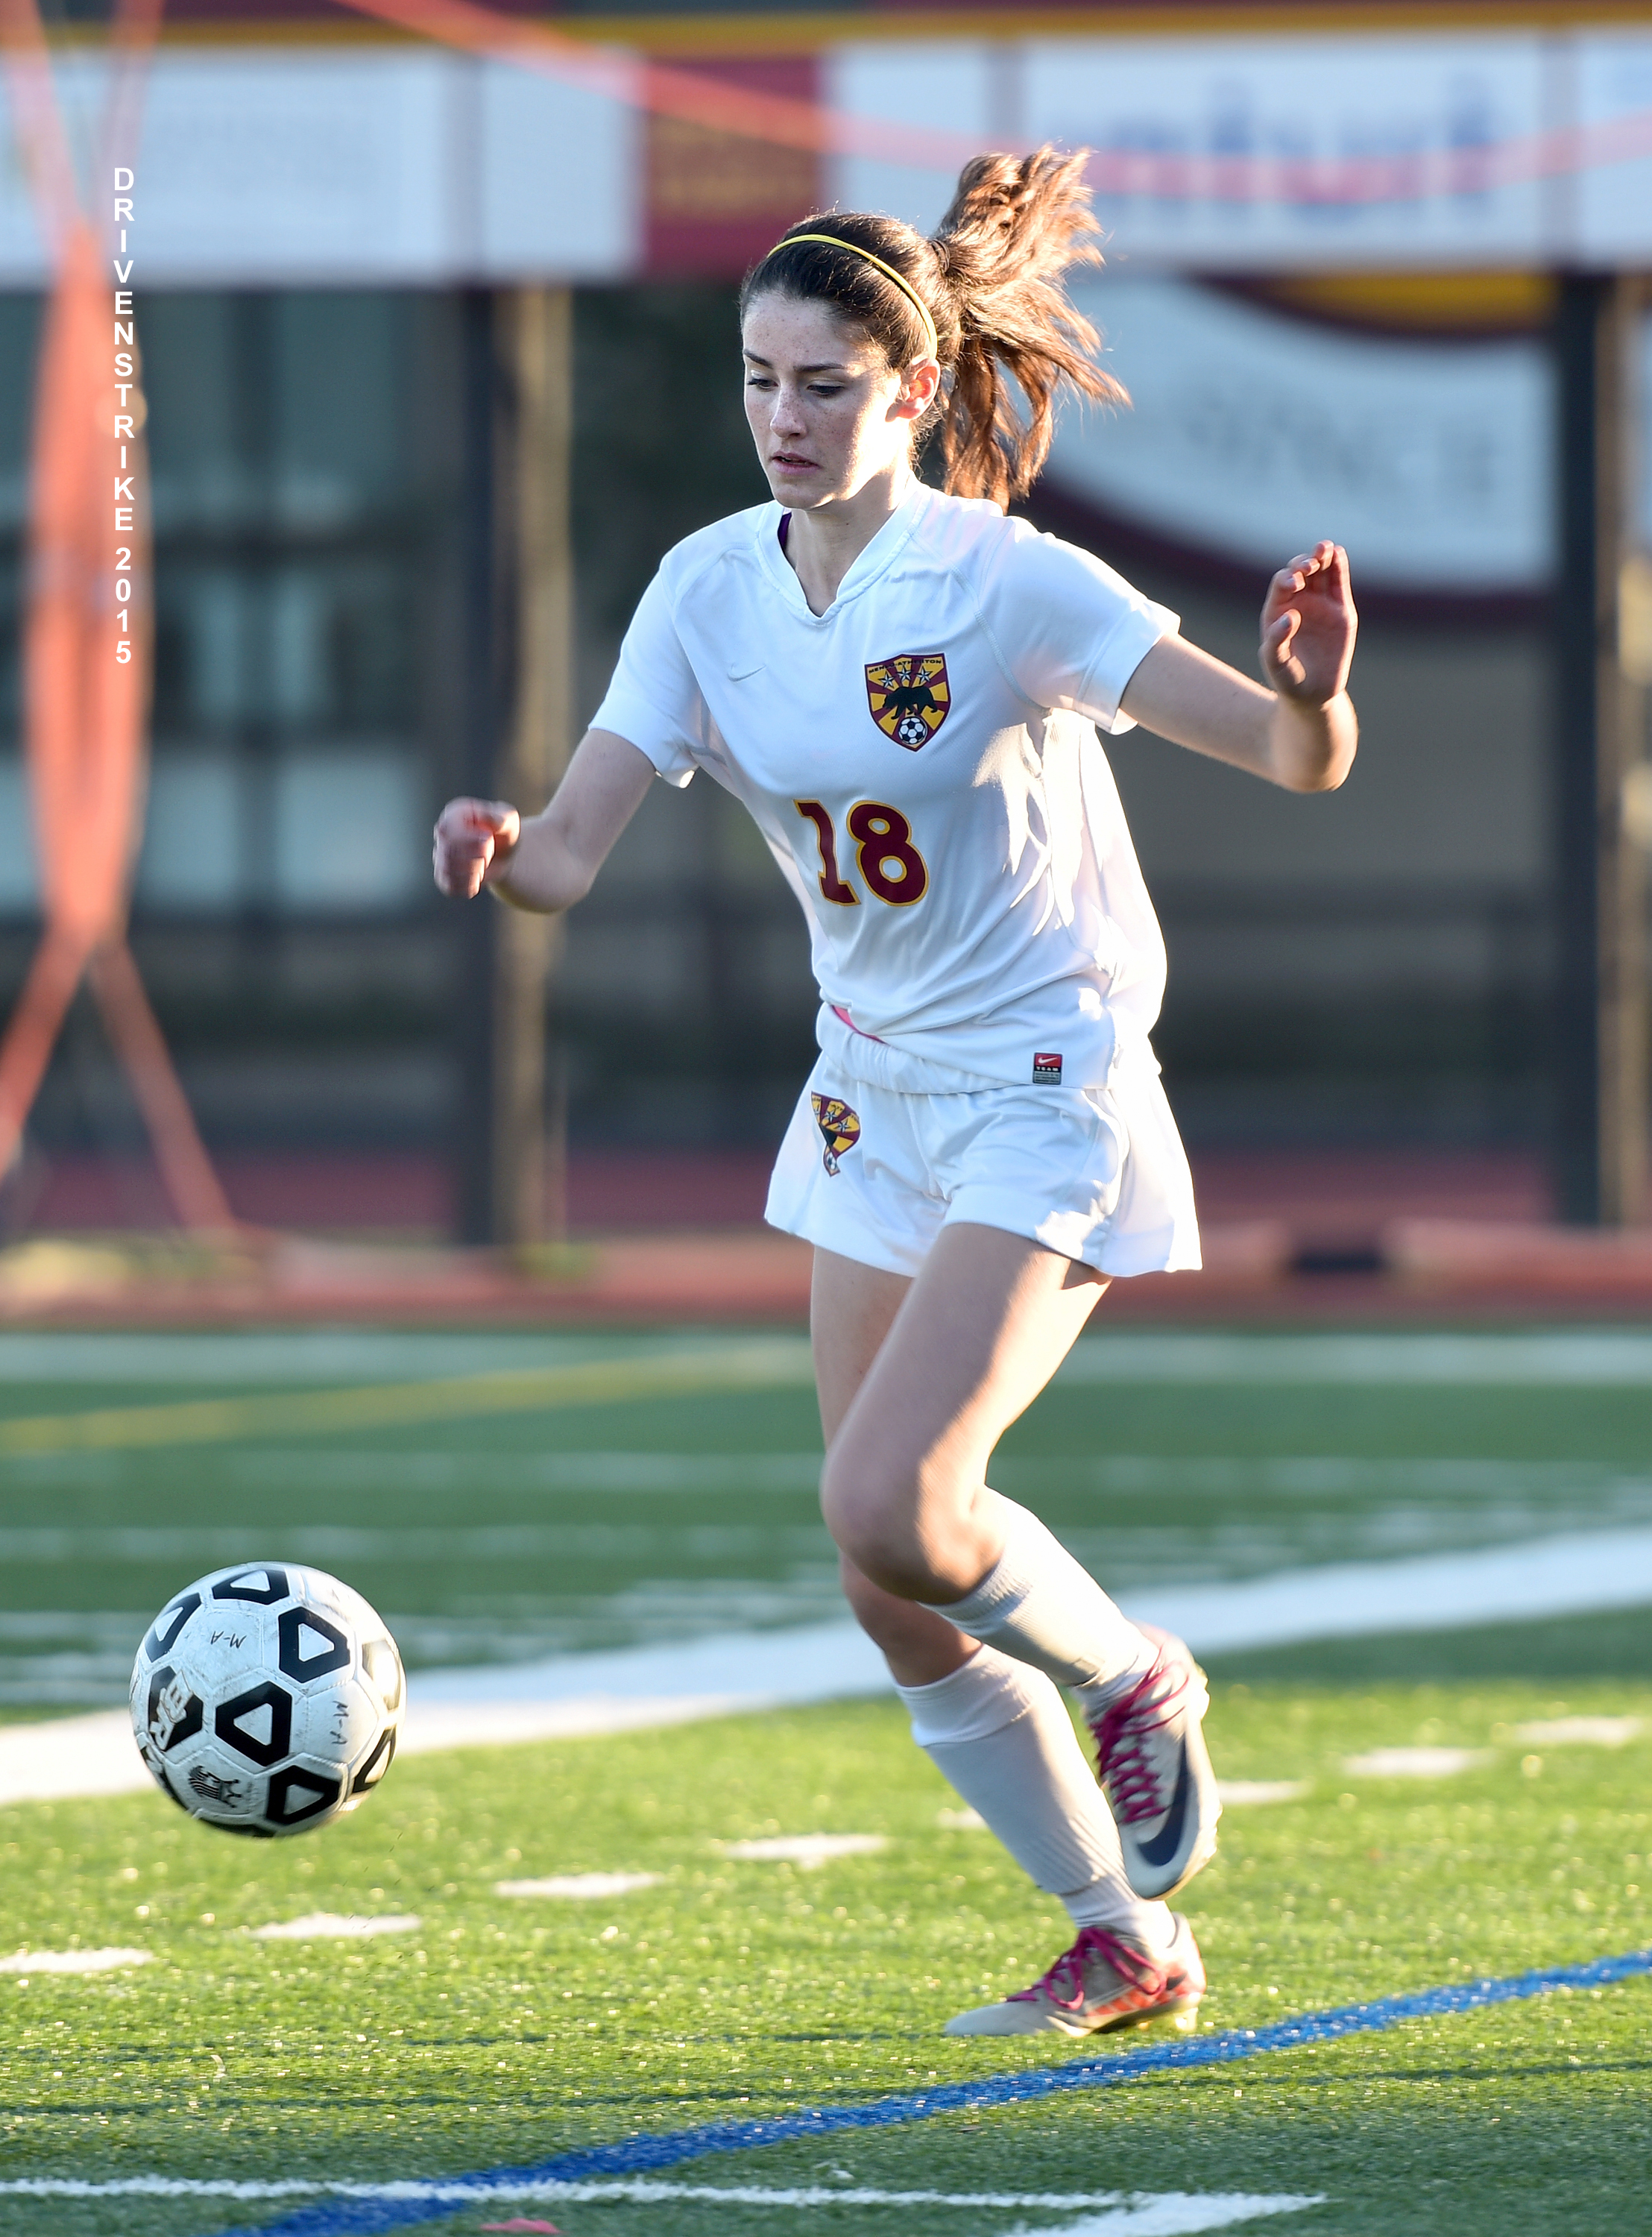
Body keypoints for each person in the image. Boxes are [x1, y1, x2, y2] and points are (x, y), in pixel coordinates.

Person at [434, 148, 1358, 2039]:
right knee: (890, 1586)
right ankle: (1126, 1936)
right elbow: (572, 853)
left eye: (823, 384)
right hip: (871, 1099)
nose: (783, 416)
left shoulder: (1005, 580)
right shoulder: (703, 589)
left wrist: (1316, 694)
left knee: (897, 1499)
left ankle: (1132, 1683)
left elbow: (1286, 757)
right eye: (761, 381)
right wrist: (497, 847)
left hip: (1046, 1085)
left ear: (912, 392)